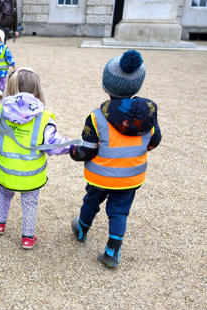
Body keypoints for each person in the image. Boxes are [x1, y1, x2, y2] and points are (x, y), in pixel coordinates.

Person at [69, 50, 162, 268]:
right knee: (119, 212)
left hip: (100, 175)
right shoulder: (148, 114)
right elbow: (155, 140)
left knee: (91, 201)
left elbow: (87, 151)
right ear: (137, 86)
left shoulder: (96, 116)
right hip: (130, 176)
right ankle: (112, 252)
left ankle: (82, 229)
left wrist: (74, 152)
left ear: (106, 86)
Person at [0, 68, 72, 249]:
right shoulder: (43, 118)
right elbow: (55, 144)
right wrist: (78, 147)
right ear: (37, 91)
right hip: (31, 178)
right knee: (30, 203)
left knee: (4, 195)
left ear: (10, 90)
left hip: (6, 174)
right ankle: (27, 237)